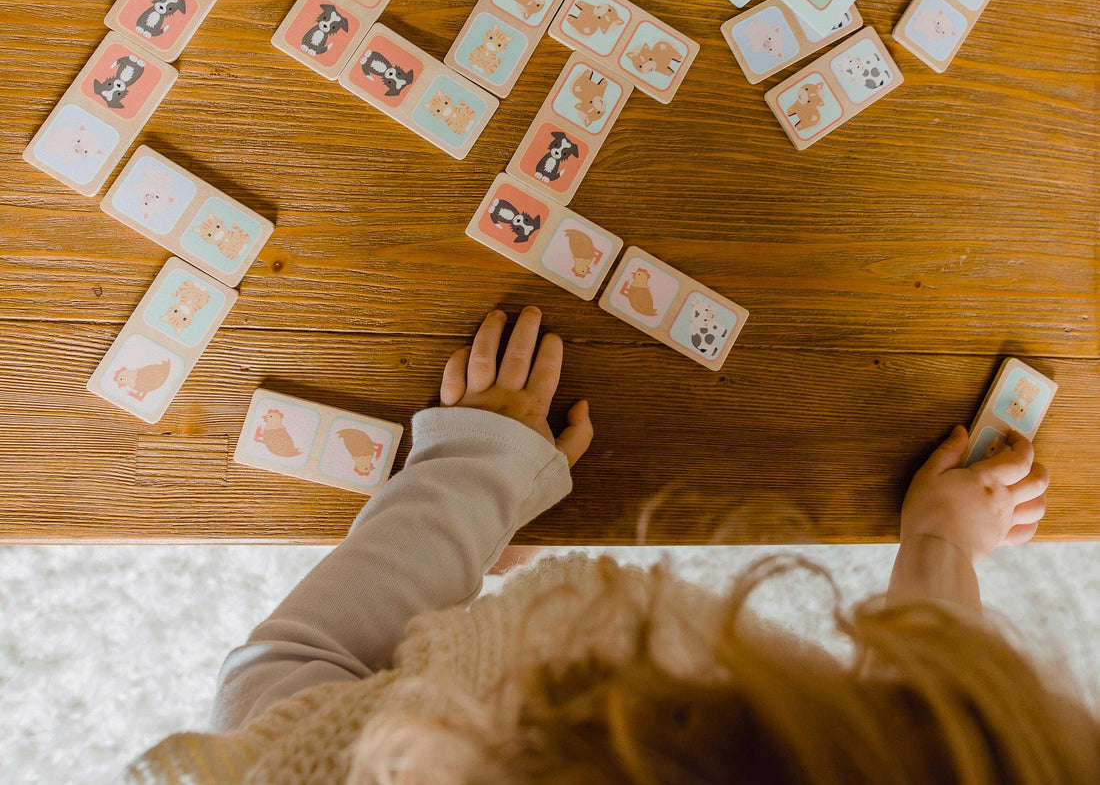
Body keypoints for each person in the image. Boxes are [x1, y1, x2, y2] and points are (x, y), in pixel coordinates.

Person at [123, 307, 1099, 785]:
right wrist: (937, 543)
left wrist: (475, 464)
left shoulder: (329, 761)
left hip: (433, 694)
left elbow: (294, 661)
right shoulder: (902, 741)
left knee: (346, 655)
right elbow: (934, 704)